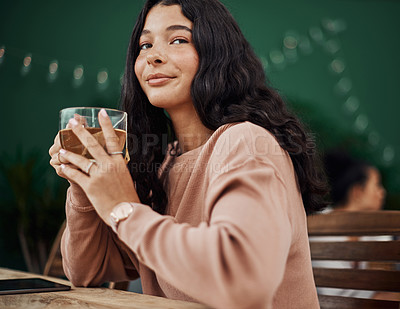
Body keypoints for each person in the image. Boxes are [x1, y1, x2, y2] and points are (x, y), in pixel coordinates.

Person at [49, 0, 328, 308]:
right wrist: (86, 186)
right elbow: (86, 272)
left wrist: (124, 208)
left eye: (178, 39)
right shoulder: (165, 162)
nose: (153, 56)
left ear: (217, 54)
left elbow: (242, 281)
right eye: (144, 45)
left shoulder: (246, 143)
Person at [312, 150, 387, 299]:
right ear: (357, 192)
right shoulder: (320, 226)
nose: (382, 192)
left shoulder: (372, 233)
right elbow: (332, 293)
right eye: (377, 185)